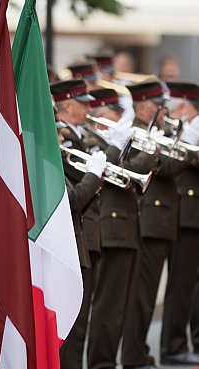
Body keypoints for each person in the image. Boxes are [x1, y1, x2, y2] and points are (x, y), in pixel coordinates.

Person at [120, 79, 194, 369]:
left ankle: (139, 354)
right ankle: (133, 356)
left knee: (147, 296)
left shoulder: (159, 132)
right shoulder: (134, 132)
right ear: (143, 107)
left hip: (162, 220)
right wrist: (175, 144)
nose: (164, 112)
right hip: (149, 219)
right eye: (158, 107)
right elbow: (155, 166)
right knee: (141, 295)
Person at [51, 79, 104, 368]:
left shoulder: (60, 158)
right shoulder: (50, 160)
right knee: (71, 325)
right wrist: (95, 176)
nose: (61, 140)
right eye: (57, 135)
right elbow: (72, 200)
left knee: (79, 324)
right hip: (66, 250)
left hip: (77, 245)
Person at [158, 80, 199, 365]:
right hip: (186, 213)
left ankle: (192, 340)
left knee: (192, 285)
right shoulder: (178, 130)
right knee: (180, 283)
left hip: (193, 213)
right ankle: (172, 344)